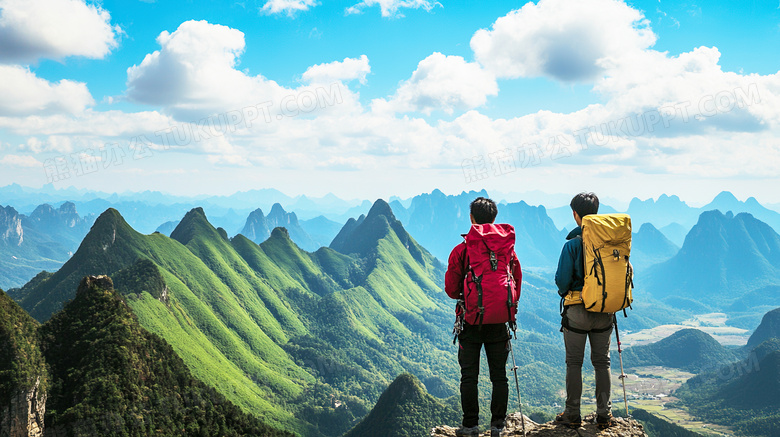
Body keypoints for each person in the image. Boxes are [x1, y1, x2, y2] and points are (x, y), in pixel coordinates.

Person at [445, 197, 522, 437]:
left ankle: (470, 426)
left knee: (469, 376)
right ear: (494, 219)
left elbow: (450, 290)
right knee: (499, 376)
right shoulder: (507, 250)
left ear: (472, 219)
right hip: (500, 321)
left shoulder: (462, 250)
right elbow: (516, 282)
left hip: (469, 321)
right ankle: (497, 425)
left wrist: (470, 297)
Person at [554, 192, 614, 429]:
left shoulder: (572, 245)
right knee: (602, 363)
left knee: (574, 363)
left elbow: (561, 281)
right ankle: (604, 414)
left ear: (575, 214)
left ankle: (573, 414)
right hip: (604, 309)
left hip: (577, 312)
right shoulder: (610, 242)